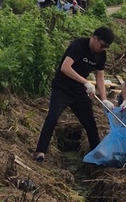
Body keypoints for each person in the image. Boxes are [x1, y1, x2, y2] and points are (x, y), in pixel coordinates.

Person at [35, 26, 115, 164]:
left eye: (106, 47)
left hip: (79, 91)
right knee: (52, 117)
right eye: (102, 45)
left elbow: (100, 77)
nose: (103, 49)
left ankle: (96, 157)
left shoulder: (101, 55)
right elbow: (65, 67)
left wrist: (104, 99)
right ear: (95, 38)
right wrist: (85, 82)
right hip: (62, 88)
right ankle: (41, 151)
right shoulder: (79, 45)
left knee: (90, 124)